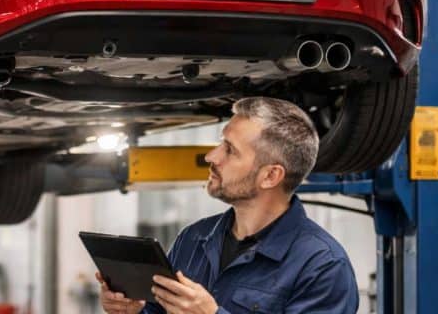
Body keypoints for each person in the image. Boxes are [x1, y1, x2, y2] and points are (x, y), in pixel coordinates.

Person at [97, 97, 359, 314]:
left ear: (270, 176)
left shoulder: (322, 265)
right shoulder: (194, 238)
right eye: (220, 143)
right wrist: (132, 311)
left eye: (230, 150)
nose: (212, 156)